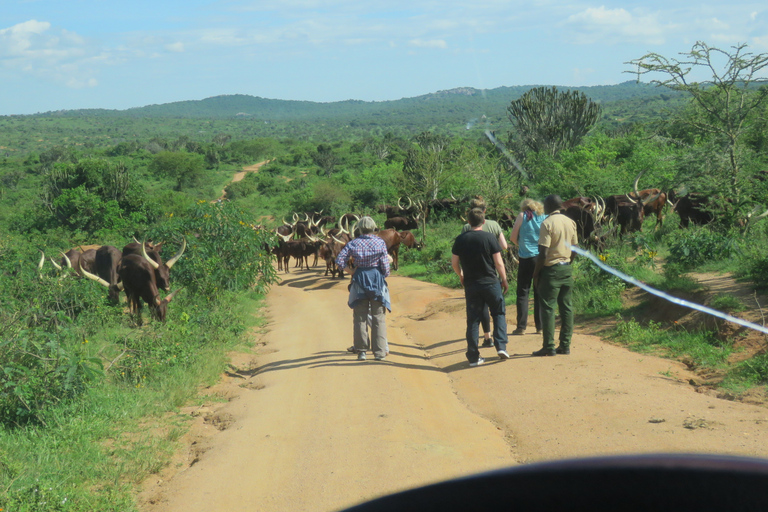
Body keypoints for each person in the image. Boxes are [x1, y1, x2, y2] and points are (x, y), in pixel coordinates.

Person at [452, 208, 509, 367]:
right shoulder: (490, 237)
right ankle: (501, 346)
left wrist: (461, 276)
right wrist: (504, 279)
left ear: (468, 221)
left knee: (473, 320)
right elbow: (498, 262)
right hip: (491, 282)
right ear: (483, 222)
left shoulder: (461, 239)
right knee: (498, 312)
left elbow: (454, 263)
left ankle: (473, 356)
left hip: (471, 284)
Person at [336, 216, 391, 361]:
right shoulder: (380, 242)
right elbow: (386, 267)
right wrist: (382, 274)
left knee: (360, 317)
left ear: (359, 228)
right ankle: (379, 353)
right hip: (377, 280)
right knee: (378, 317)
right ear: (373, 228)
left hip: (359, 281)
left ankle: (362, 352)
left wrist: (352, 271)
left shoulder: (354, 243)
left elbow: (339, 261)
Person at [532, 195, 578, 357]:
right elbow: (575, 248)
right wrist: (567, 263)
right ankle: (565, 345)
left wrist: (536, 273)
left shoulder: (547, 223)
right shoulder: (570, 222)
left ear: (549, 206)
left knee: (548, 308)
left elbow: (543, 253)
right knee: (567, 308)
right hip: (566, 269)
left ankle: (549, 346)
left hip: (551, 270)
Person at [461, 196, 508, 348]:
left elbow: (458, 255)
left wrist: (461, 274)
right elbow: (504, 246)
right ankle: (500, 344)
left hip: (472, 275)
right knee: (496, 308)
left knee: (479, 310)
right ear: (485, 211)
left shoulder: (465, 228)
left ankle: (487, 337)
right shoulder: (494, 225)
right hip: (491, 273)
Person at [509, 198, 546, 335]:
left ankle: (521, 326)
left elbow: (513, 237)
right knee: (539, 292)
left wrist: (521, 244)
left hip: (525, 257)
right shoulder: (544, 217)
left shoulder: (522, 216)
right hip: (540, 257)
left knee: (523, 292)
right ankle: (540, 326)